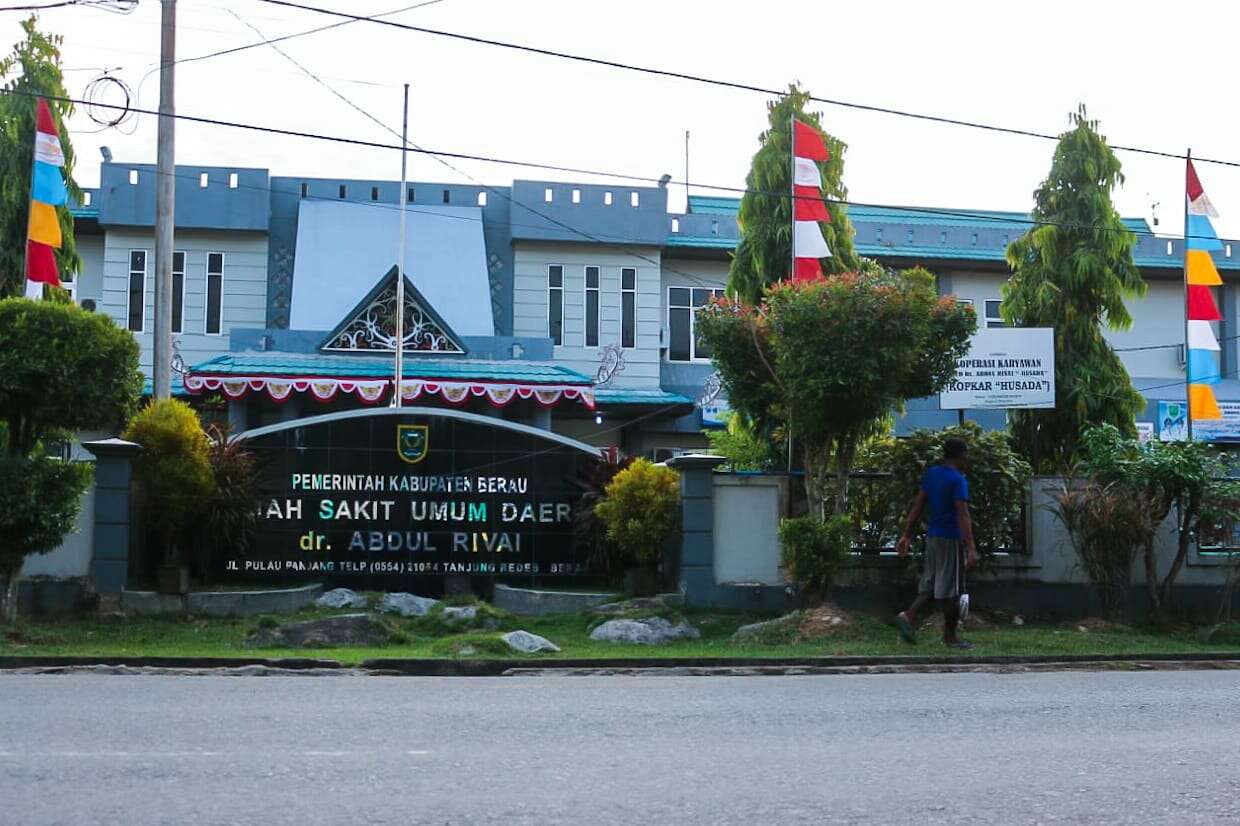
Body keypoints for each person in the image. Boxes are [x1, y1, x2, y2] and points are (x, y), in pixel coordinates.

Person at [894, 437, 977, 648]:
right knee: (952, 591)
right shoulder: (957, 480)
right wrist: (971, 548)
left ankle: (908, 614)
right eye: (966, 454)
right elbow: (963, 514)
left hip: (933, 537)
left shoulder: (932, 474)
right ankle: (950, 637)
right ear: (960, 455)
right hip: (951, 538)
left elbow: (918, 504)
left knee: (931, 584)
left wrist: (906, 534)